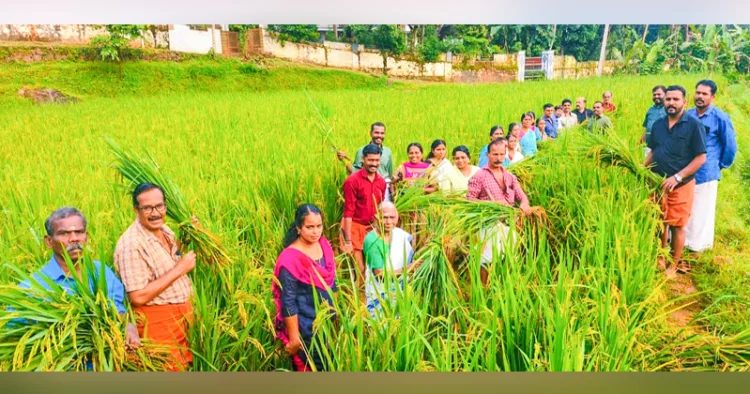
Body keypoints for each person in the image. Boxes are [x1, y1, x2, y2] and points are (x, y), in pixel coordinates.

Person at [15, 207, 140, 353]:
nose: (74, 238)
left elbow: (117, 308)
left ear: (86, 237)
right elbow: (16, 334)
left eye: (79, 232)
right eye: (64, 233)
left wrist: (128, 326)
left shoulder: (101, 272)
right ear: (49, 241)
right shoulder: (32, 287)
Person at [114, 183, 197, 371]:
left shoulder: (165, 231)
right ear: (136, 209)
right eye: (147, 208)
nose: (155, 213)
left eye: (159, 206)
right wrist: (180, 269)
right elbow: (137, 297)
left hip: (182, 318)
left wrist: (188, 236)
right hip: (159, 325)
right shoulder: (131, 244)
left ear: (165, 206)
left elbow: (168, 260)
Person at [645, 85, 707, 279]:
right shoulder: (658, 125)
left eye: (675, 99)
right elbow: (654, 151)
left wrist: (677, 177)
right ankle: (661, 258)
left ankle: (674, 264)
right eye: (668, 99)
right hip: (658, 181)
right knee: (659, 222)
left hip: (681, 184)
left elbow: (700, 158)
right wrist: (641, 168)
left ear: (684, 102)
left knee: (677, 225)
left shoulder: (693, 125)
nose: (671, 103)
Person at [273, 204, 337, 372]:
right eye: (310, 227)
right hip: (305, 327)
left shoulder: (324, 245)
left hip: (326, 324)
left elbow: (332, 281)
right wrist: (294, 339)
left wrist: (335, 315)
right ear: (298, 228)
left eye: (319, 226)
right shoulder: (289, 259)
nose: (315, 231)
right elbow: (288, 301)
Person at [466, 138, 532, 286]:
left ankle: (504, 289)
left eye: (502, 154)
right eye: (495, 154)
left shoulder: (510, 177)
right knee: (486, 262)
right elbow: (469, 200)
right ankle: (482, 291)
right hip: (487, 226)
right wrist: (492, 205)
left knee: (509, 259)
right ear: (488, 155)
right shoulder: (479, 176)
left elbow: (522, 196)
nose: (499, 158)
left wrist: (524, 205)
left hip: (508, 225)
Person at [684, 80, 738, 256]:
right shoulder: (688, 115)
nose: (699, 96)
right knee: (688, 208)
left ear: (713, 97)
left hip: (707, 172)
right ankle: (683, 243)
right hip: (686, 170)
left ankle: (695, 249)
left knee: (702, 210)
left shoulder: (720, 118)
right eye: (697, 92)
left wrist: (719, 165)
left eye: (704, 94)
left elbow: (730, 146)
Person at [363, 202, 421, 320]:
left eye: (392, 217)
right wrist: (409, 269)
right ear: (376, 218)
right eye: (384, 217)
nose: (388, 222)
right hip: (380, 294)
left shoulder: (399, 235)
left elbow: (412, 249)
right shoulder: (372, 240)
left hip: (399, 291)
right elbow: (380, 274)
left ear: (397, 217)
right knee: (381, 329)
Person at [341, 144, 387, 284]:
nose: (374, 164)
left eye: (377, 161)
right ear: (363, 159)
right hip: (354, 227)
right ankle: (357, 300)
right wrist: (348, 241)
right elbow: (348, 213)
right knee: (360, 270)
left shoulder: (381, 182)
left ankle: (371, 299)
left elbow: (381, 208)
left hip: (371, 228)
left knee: (374, 268)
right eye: (370, 160)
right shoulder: (352, 181)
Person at [336, 122, 394, 200]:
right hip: (367, 186)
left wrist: (392, 190)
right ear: (370, 133)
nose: (379, 136)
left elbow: (390, 172)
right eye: (376, 133)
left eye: (382, 133)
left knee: (385, 210)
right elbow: (355, 170)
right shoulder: (361, 151)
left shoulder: (388, 151)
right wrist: (345, 160)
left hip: (384, 185)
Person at [640, 85, 667, 156]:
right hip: (649, 147)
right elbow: (647, 129)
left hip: (663, 148)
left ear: (665, 95)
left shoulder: (668, 110)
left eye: (659, 94)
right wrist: (639, 142)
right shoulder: (650, 110)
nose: (656, 96)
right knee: (647, 166)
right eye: (654, 95)